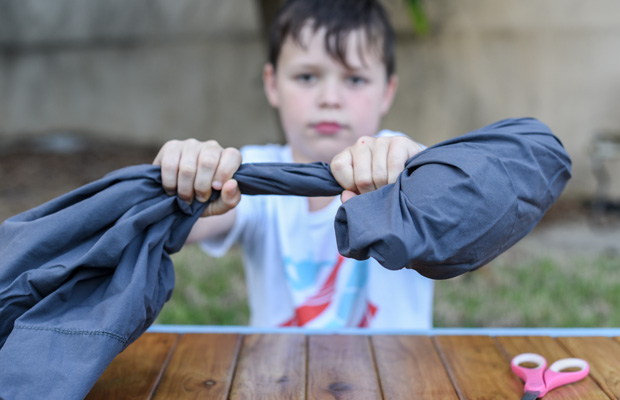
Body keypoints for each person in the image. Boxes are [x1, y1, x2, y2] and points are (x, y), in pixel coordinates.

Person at [153, 0, 434, 329]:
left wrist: (422, 168)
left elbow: (459, 209)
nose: (330, 98)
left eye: (355, 80)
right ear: (272, 84)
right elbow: (173, 226)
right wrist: (183, 176)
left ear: (387, 91)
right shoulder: (255, 171)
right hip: (277, 363)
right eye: (306, 76)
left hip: (399, 364)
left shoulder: (404, 165)